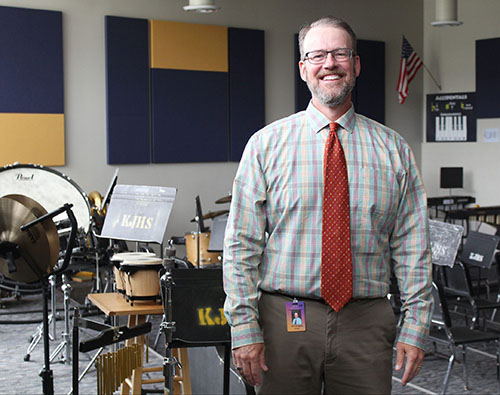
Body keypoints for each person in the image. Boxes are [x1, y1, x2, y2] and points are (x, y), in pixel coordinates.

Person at [223, 15, 432, 394]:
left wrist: (416, 326)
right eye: (317, 55)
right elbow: (241, 245)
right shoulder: (265, 145)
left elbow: (413, 247)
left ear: (356, 64)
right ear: (303, 69)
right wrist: (243, 326)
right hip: (283, 319)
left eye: (340, 53)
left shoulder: (394, 150)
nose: (329, 64)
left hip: (366, 322)